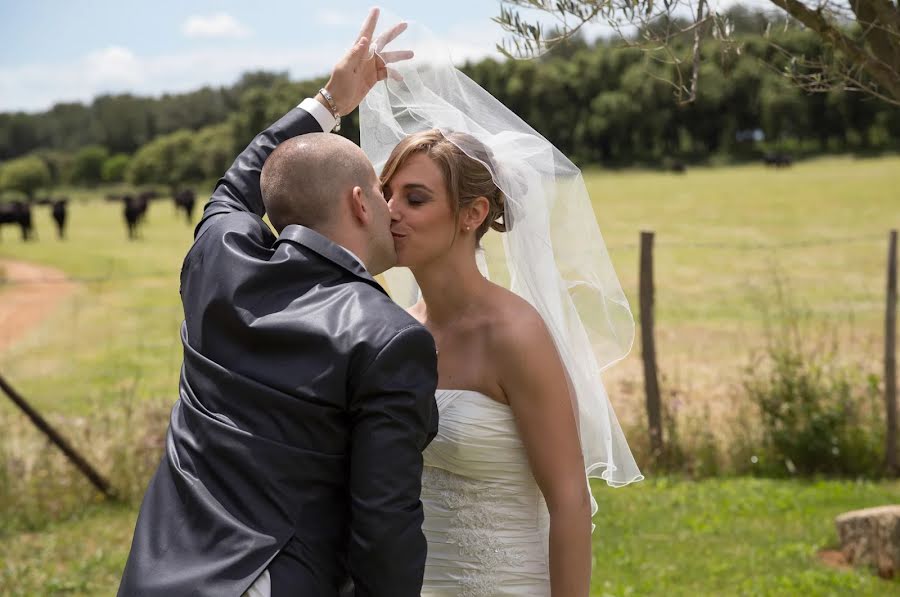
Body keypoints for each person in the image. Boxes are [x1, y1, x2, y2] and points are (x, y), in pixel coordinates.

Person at [117, 9, 438, 597]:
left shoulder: (218, 261)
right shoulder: (387, 337)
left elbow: (234, 188)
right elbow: (384, 529)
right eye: (380, 193)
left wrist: (329, 99)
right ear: (360, 205)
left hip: (154, 579)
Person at [359, 19, 644, 596]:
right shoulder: (400, 330)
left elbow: (568, 503)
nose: (391, 211)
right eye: (387, 194)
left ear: (472, 215)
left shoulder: (515, 334)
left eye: (415, 198)